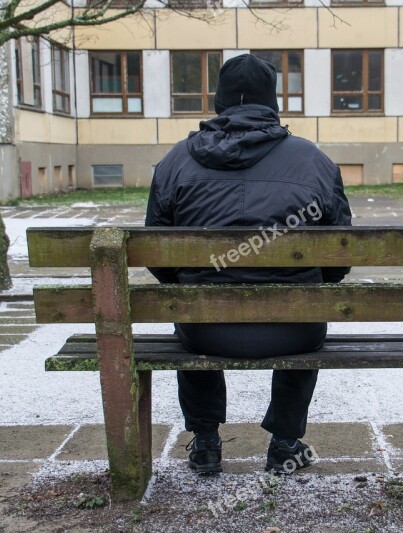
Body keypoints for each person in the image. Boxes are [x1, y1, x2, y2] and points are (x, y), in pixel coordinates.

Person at [145, 54, 352, 475]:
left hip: (206, 328)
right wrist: (314, 282)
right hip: (293, 327)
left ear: (219, 101)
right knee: (308, 316)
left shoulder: (175, 162)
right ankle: (285, 443)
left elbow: (154, 251)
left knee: (189, 310)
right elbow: (340, 256)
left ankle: (205, 442)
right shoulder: (314, 161)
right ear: (272, 101)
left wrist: (186, 282)